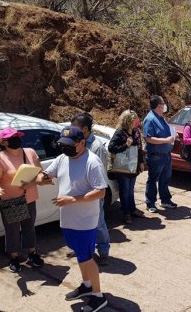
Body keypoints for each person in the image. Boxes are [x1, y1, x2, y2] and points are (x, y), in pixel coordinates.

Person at [37, 126, 109, 312]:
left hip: (85, 221)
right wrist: (40, 177)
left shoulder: (92, 162)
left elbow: (100, 191)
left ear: (82, 143)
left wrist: (72, 200)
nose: (65, 149)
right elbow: (47, 173)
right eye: (63, 145)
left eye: (70, 145)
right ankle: (86, 285)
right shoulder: (63, 158)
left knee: (87, 258)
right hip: (68, 219)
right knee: (80, 255)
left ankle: (98, 296)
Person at [0, 128, 45, 272]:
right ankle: (14, 258)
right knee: (12, 231)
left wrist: (39, 180)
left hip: (29, 198)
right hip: (11, 201)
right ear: (3, 142)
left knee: (29, 228)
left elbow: (40, 173)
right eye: (12, 138)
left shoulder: (30, 152)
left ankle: (32, 254)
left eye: (17, 136)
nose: (16, 140)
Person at [71, 112, 111, 265]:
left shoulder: (96, 147)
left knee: (98, 223)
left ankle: (103, 252)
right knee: (80, 223)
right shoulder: (75, 143)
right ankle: (83, 249)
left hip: (93, 193)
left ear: (85, 129)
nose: (71, 131)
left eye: (75, 128)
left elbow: (99, 175)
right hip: (78, 191)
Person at [107, 110, 146, 224]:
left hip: (133, 167)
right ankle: (126, 214)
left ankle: (132, 210)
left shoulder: (135, 132)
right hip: (122, 168)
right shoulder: (120, 133)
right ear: (128, 121)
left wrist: (141, 162)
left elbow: (139, 148)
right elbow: (111, 147)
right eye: (134, 120)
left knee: (130, 190)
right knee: (125, 191)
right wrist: (126, 145)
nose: (137, 121)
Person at [142, 95, 177, 213]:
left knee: (165, 179)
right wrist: (166, 140)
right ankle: (150, 203)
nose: (165, 105)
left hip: (166, 154)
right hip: (156, 156)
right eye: (163, 103)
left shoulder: (161, 117)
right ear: (159, 105)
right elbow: (148, 138)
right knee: (153, 180)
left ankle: (165, 200)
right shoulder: (150, 119)